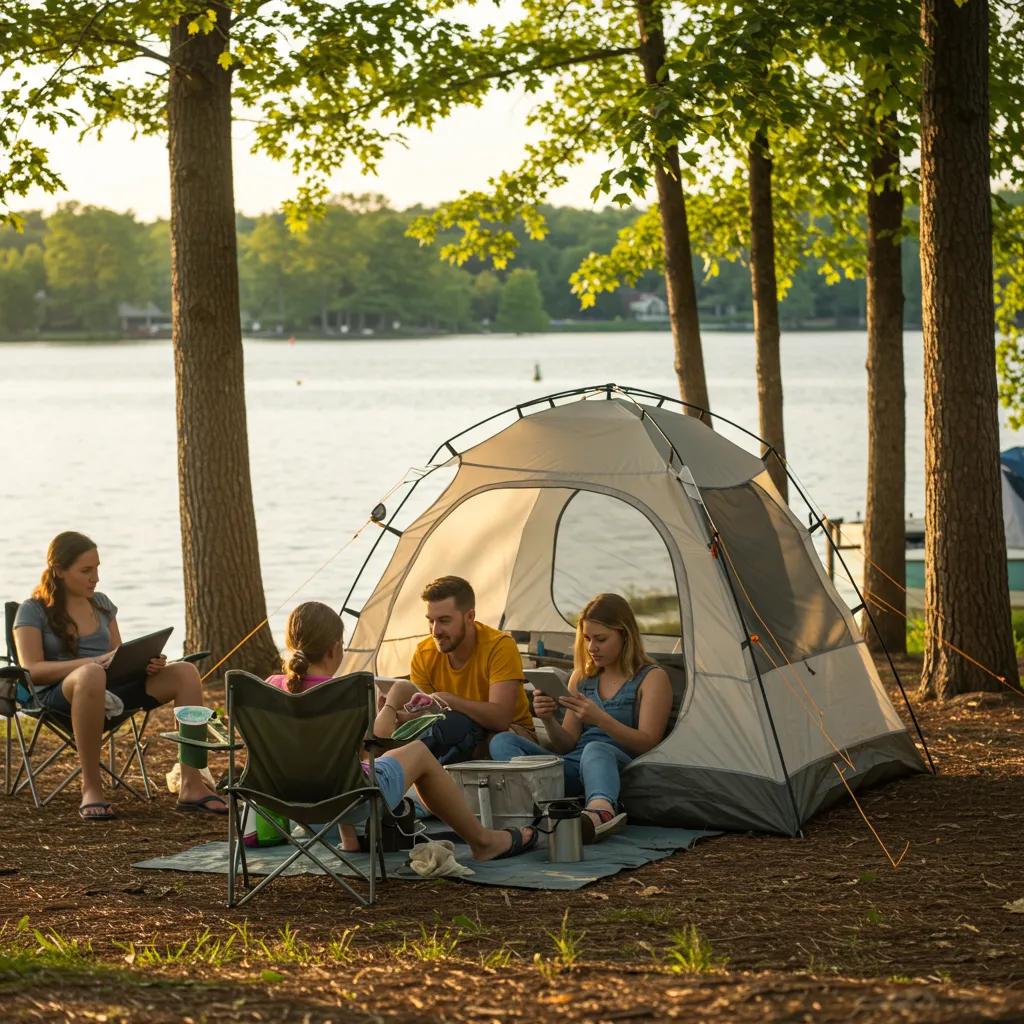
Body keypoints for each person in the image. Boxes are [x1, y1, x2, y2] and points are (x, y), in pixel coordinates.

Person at [265, 601, 537, 860]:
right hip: (347, 800)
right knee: (417, 752)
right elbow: (373, 748)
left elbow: (313, 754)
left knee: (329, 763)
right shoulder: (348, 693)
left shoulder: (269, 688)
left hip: (280, 795)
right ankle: (483, 842)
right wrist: (393, 704)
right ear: (334, 648)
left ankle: (349, 839)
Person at [13, 531, 226, 821]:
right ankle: (91, 788)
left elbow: (118, 656)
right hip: (60, 696)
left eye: (97, 568)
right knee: (89, 674)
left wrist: (146, 664)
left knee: (185, 673)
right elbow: (32, 670)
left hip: (112, 687)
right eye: (86, 570)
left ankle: (191, 783)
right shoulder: (32, 610)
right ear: (60, 571)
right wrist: (92, 662)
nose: (95, 578)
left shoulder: (101, 604)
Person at [489, 593, 673, 842]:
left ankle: (601, 812)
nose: (591, 648)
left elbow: (649, 743)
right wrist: (549, 719)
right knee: (502, 741)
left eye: (601, 639)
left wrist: (601, 720)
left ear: (625, 635)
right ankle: (537, 805)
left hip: (613, 763)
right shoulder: (583, 677)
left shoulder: (652, 677)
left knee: (596, 748)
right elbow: (566, 744)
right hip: (574, 766)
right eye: (586, 638)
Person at [373, 576, 534, 765]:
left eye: (444, 621)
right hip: (453, 730)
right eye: (431, 621)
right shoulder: (424, 653)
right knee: (436, 730)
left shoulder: (499, 646)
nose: (435, 631)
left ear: (470, 617)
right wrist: (400, 717)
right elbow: (425, 715)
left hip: (509, 734)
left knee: (468, 732)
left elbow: (500, 719)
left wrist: (449, 700)